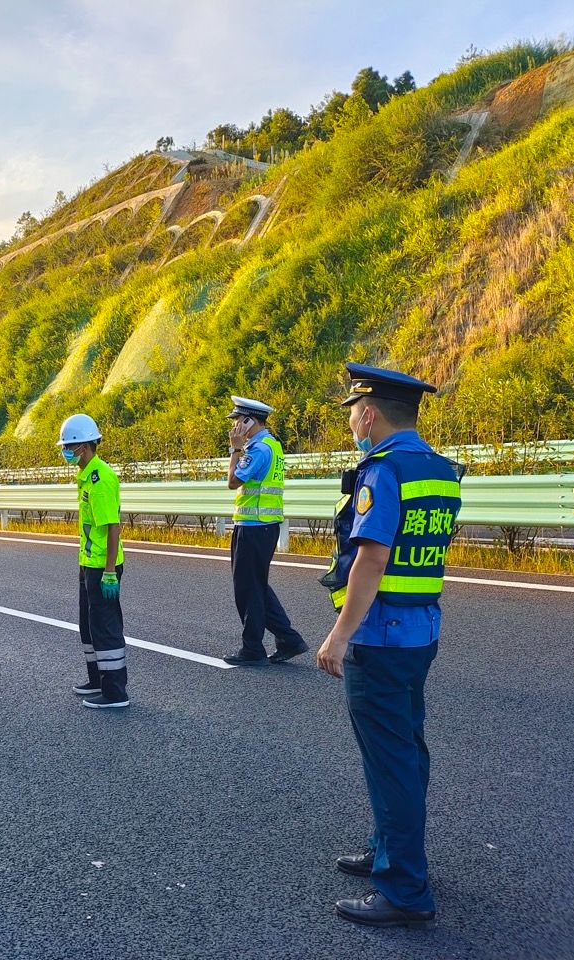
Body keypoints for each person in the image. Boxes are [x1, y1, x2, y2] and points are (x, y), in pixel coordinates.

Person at [316, 363, 463, 930]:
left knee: (390, 761)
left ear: (370, 413)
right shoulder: (441, 469)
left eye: (354, 410)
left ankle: (404, 887)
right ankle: (392, 850)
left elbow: (372, 559)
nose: (352, 420)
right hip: (421, 629)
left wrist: (338, 635)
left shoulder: (382, 471)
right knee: (407, 750)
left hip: (378, 635)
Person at [222, 397, 308, 666]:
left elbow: (232, 481)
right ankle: (289, 640)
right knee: (255, 587)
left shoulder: (258, 449)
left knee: (247, 589)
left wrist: (235, 449)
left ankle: (253, 649)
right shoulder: (271, 445)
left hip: (255, 527)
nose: (235, 426)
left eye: (238, 420)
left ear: (251, 421)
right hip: (260, 526)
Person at [60, 413, 129, 709]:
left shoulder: (100, 479)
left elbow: (112, 525)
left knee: (105, 626)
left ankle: (115, 693)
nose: (65, 452)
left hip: (104, 566)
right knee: (87, 624)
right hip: (90, 563)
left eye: (68, 447)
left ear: (84, 448)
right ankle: (97, 679)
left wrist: (110, 570)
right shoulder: (86, 474)